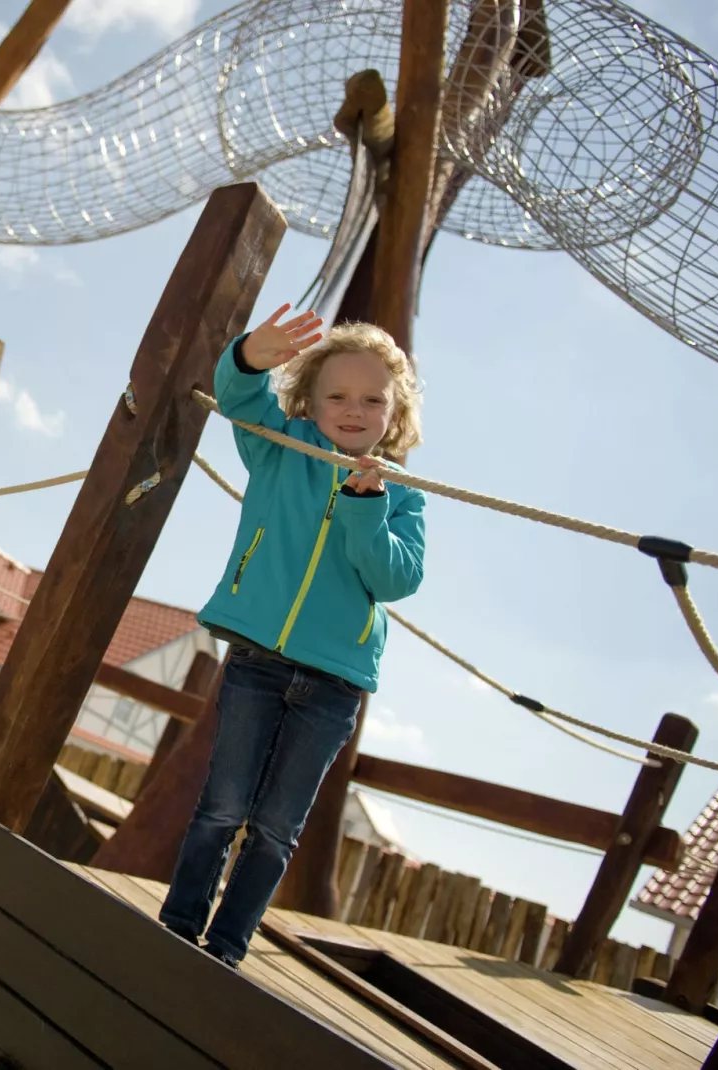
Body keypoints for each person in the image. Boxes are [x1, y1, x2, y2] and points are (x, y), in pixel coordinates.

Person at [158, 304, 426, 967]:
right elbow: (237, 397)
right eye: (336, 394)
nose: (353, 408)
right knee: (223, 805)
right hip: (257, 659)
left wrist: (367, 507)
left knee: (276, 828)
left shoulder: (402, 496)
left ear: (395, 414)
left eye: (372, 398)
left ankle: (225, 946)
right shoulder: (280, 449)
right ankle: (177, 924)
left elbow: (395, 579)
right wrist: (250, 354)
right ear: (309, 399)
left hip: (334, 681)